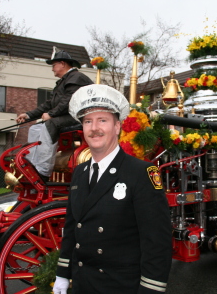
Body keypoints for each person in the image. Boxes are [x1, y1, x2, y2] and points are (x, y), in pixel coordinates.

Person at [53, 84, 172, 294]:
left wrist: (150, 290)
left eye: (102, 120)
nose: (94, 128)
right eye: (88, 121)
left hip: (121, 286)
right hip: (83, 283)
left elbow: (156, 241)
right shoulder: (80, 172)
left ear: (117, 127)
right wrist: (63, 274)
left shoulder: (141, 173)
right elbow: (72, 228)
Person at [16, 49, 93, 178]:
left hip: (82, 117)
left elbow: (69, 100)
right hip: (68, 116)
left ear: (62, 64)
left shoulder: (76, 78)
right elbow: (49, 103)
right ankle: (31, 164)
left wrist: (51, 114)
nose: (52, 69)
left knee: (49, 124)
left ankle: (43, 170)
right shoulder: (65, 81)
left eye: (53, 65)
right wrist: (28, 115)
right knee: (35, 128)